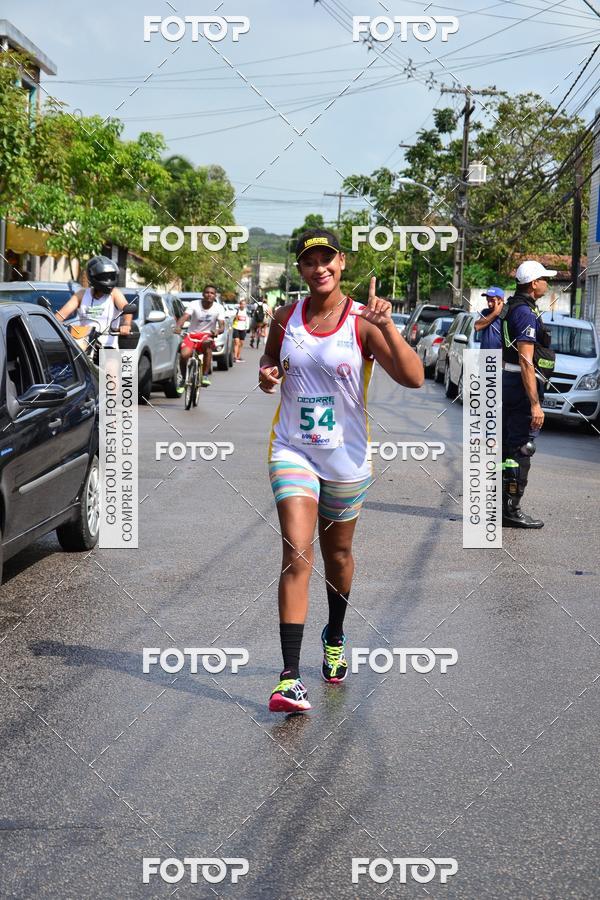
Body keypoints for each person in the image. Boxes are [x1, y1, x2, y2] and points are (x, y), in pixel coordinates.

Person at [259, 228, 424, 713]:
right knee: (296, 550)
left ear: (342, 262)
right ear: (300, 269)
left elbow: (413, 377)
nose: (319, 268)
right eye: (309, 261)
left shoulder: (362, 322)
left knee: (340, 556)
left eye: (326, 259)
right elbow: (272, 357)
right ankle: (289, 677)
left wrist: (388, 327)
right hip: (292, 450)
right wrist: (268, 372)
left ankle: (335, 632)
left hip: (346, 459)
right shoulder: (285, 316)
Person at [501, 260, 556, 529]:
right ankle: (511, 509)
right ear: (534, 283)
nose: (548, 282)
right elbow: (526, 360)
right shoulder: (523, 313)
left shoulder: (518, 307)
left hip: (510, 382)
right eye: (544, 278)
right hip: (520, 386)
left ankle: (503, 506)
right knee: (521, 448)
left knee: (510, 447)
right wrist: (535, 403)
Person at [56, 255, 132, 347]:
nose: (108, 280)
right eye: (104, 276)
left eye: (110, 276)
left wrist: (126, 324)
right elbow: (61, 315)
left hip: (108, 347)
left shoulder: (115, 294)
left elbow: (126, 309)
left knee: (112, 361)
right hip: (84, 347)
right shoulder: (81, 294)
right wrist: (51, 323)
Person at [175, 284, 225, 387]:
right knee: (184, 355)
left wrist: (217, 331)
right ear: (203, 294)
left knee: (208, 346)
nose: (209, 295)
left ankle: (205, 375)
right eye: (207, 292)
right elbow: (185, 317)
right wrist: (178, 326)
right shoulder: (194, 304)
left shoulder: (219, 308)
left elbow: (222, 327)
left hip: (207, 335)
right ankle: (183, 378)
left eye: (212, 293)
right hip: (191, 335)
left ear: (215, 296)